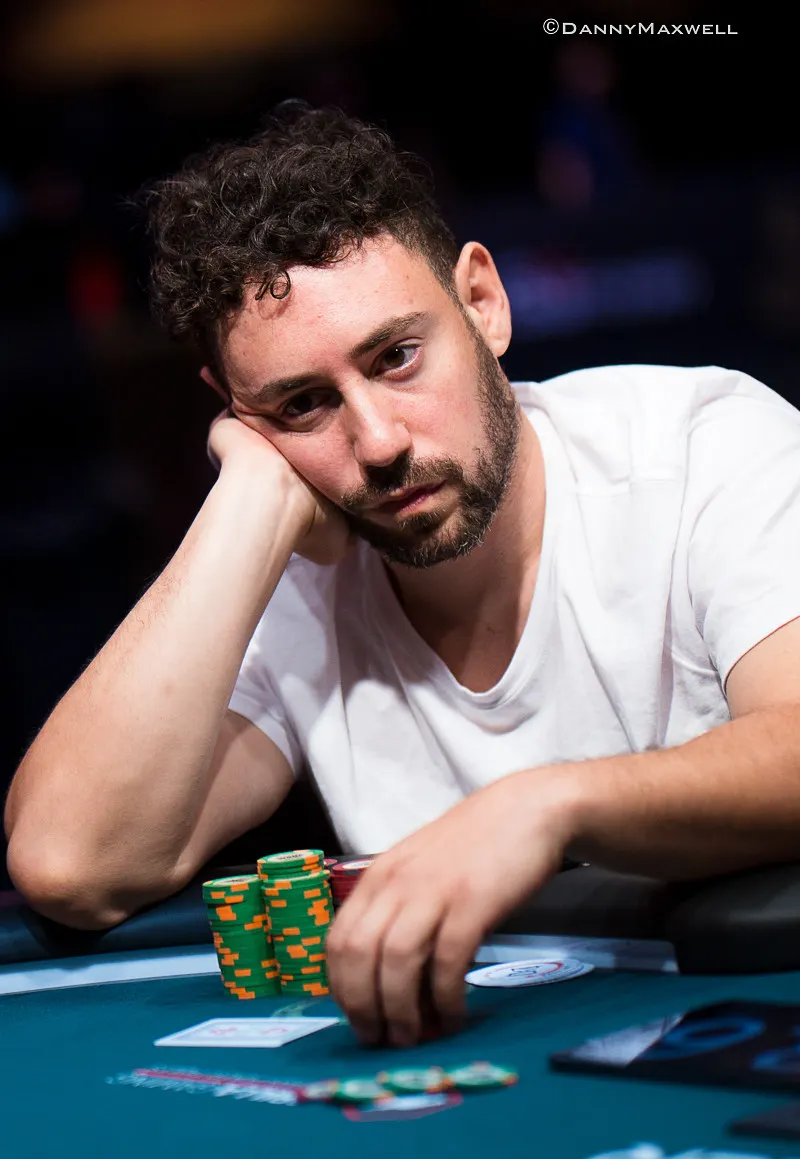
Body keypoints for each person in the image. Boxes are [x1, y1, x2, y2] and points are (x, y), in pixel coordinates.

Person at [6, 101, 800, 1050]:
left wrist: (544, 807)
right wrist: (248, 495)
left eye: (396, 357)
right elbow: (71, 862)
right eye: (303, 403)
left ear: (483, 302)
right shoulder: (288, 581)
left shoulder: (705, 447)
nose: (378, 443)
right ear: (236, 413)